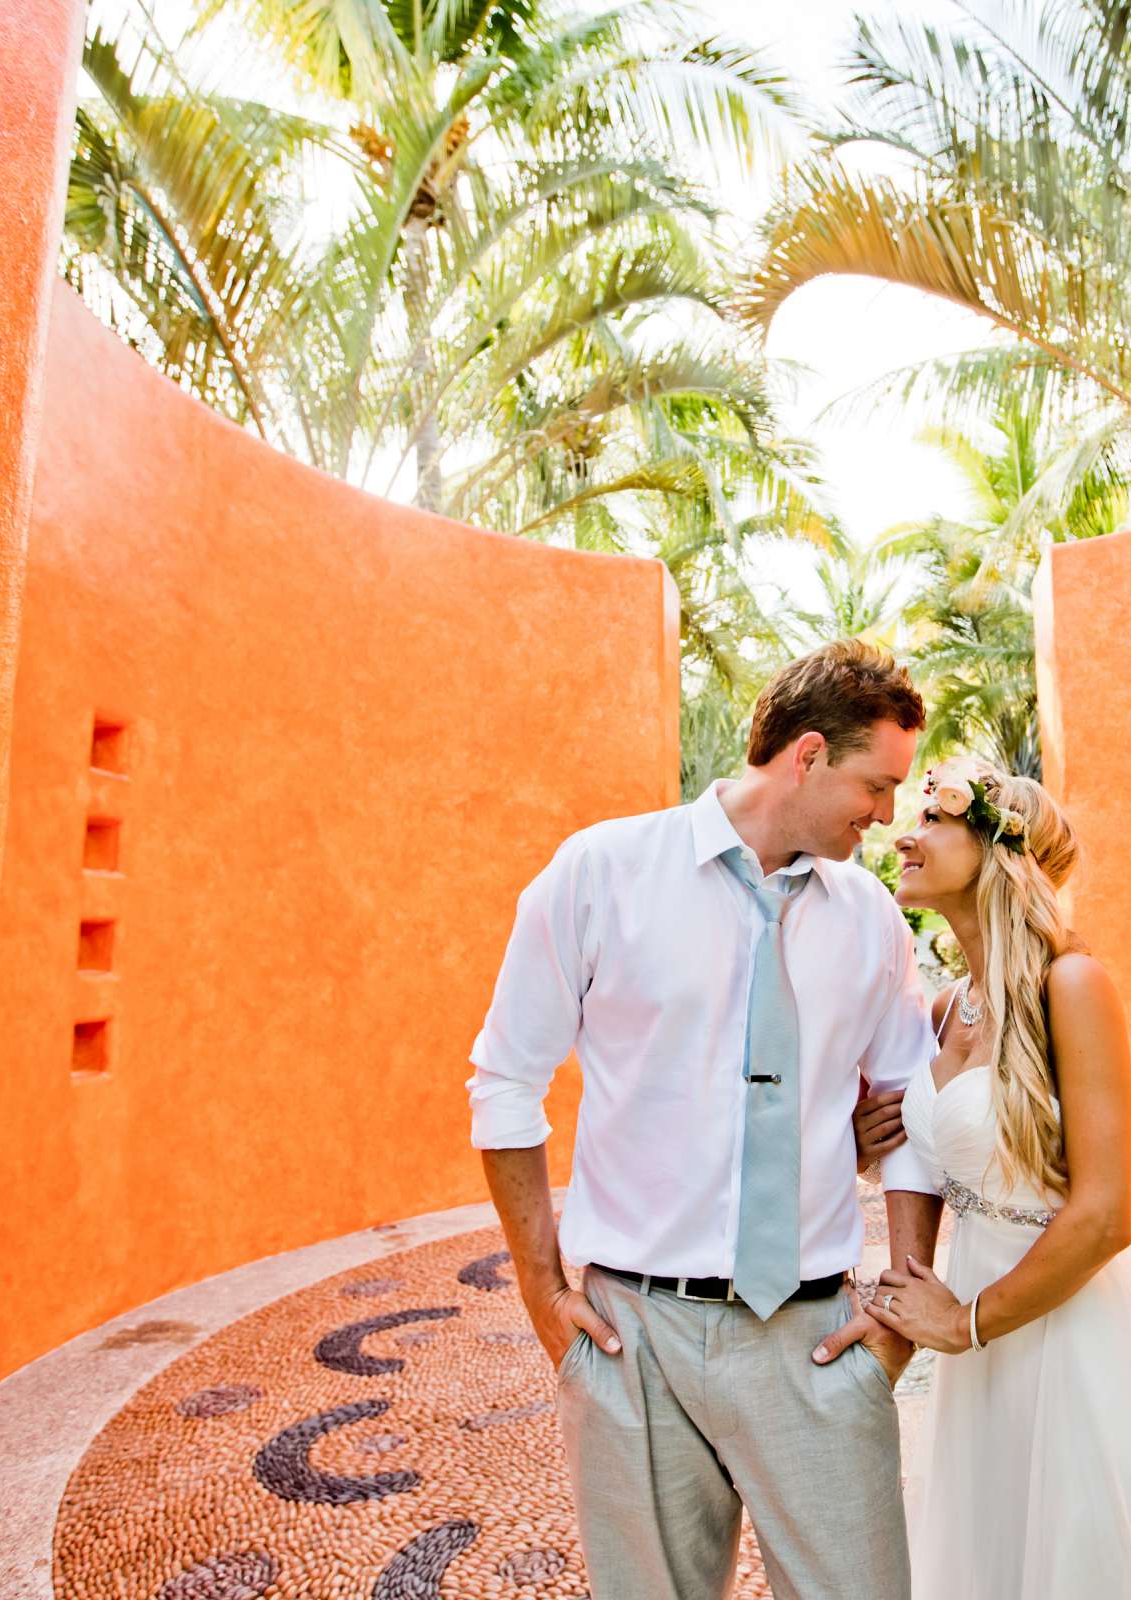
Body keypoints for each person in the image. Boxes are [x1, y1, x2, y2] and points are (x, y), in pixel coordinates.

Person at [467, 640, 942, 1600]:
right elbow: (505, 1083)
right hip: (631, 1334)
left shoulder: (871, 920)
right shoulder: (601, 871)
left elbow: (913, 1115)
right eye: (877, 784)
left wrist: (896, 1316)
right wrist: (541, 1291)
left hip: (815, 1335)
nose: (889, 816)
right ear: (807, 755)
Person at [859, 755, 1131, 1597]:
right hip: (978, 1329)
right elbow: (930, 1158)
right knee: (995, 1551)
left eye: (932, 820)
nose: (904, 834)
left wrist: (966, 1322)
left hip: (1070, 1327)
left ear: (998, 851)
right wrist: (866, 1140)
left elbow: (1106, 1215)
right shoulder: (945, 1008)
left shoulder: (1072, 985)